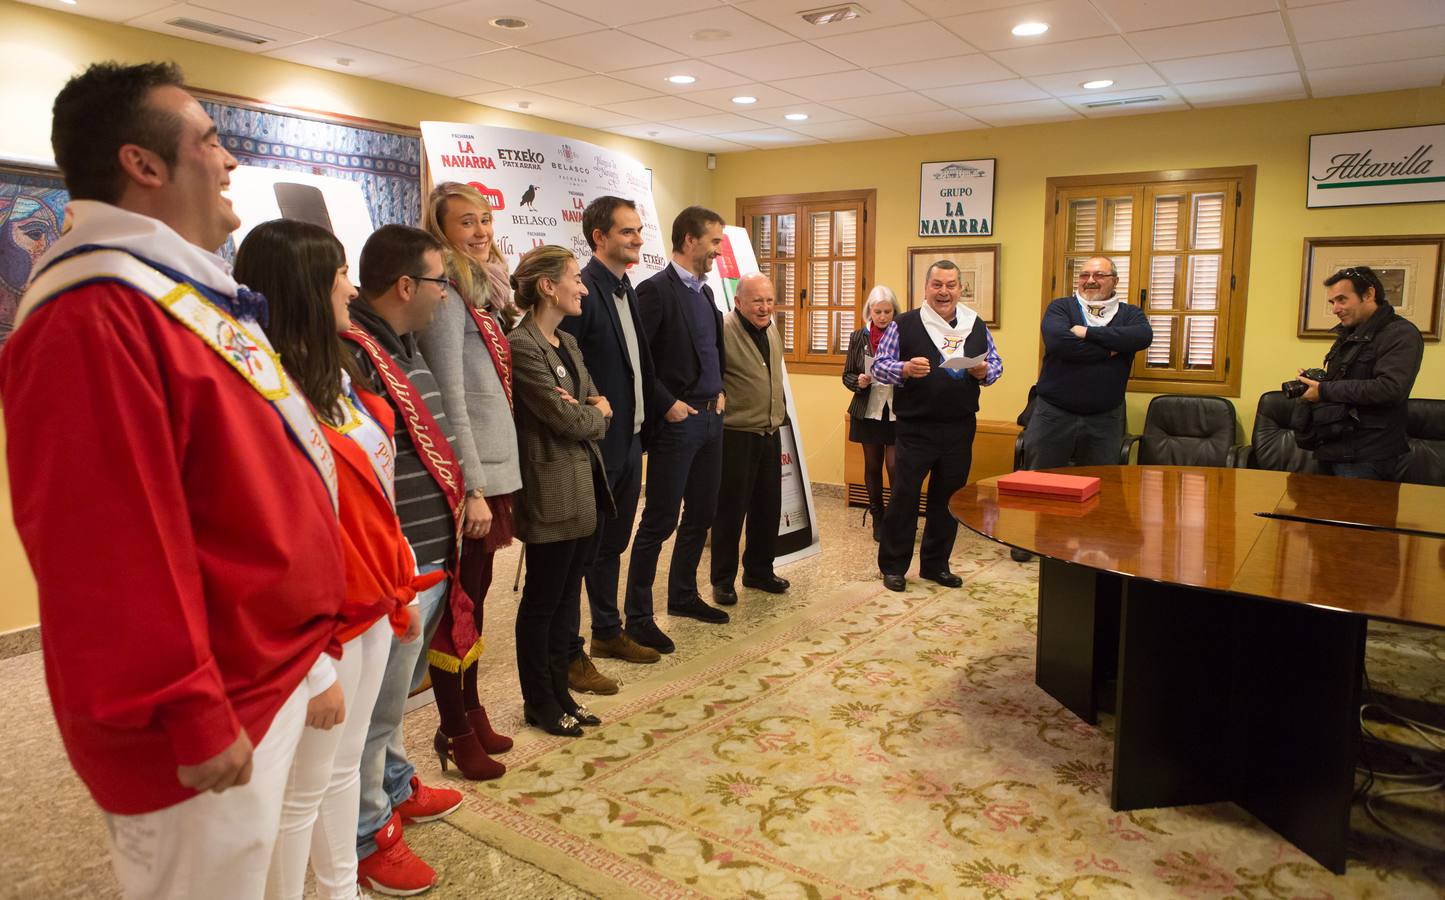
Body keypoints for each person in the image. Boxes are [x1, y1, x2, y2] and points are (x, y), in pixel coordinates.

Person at [0, 62, 347, 898]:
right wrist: (187, 710)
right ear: (143, 165)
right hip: (208, 704)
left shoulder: (177, 292)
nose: (231, 163)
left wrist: (313, 652)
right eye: (210, 141)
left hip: (266, 666)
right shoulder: (92, 314)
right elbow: (110, 549)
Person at [235, 220, 433, 900]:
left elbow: (370, 492)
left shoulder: (339, 374)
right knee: (301, 790)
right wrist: (316, 662)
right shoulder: (267, 394)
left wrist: (399, 572)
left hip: (375, 598)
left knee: (345, 768)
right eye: (338, 274)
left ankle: (341, 889)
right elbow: (274, 535)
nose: (350, 287)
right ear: (303, 287)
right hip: (325, 620)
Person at [343, 224, 471, 895]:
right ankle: (368, 835)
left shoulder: (399, 343)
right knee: (373, 711)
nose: (444, 296)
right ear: (404, 286)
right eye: (438, 282)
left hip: (427, 550)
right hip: (394, 564)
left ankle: (395, 787)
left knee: (394, 704)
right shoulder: (352, 355)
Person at [416, 182, 522, 760]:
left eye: (485, 220)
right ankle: (455, 730)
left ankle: (471, 712)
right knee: (460, 605)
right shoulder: (449, 297)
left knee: (476, 603)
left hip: (496, 473)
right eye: (465, 223)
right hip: (471, 482)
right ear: (441, 234)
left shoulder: (483, 293)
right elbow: (449, 396)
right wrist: (472, 487)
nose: (481, 232)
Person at [507, 245, 615, 736]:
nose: (584, 287)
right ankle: (540, 702)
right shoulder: (522, 346)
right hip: (550, 492)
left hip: (584, 490)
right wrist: (592, 412)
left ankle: (560, 692)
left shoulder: (567, 344)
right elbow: (573, 417)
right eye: (575, 277)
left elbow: (592, 403)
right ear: (548, 286)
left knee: (566, 601)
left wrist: (590, 410)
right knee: (543, 604)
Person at [560, 196, 662, 682]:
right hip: (597, 446)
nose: (639, 239)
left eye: (639, 230)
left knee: (613, 543)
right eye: (627, 232)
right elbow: (565, 370)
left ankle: (605, 630)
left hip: (632, 439)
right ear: (599, 237)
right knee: (592, 547)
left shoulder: (627, 287)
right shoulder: (581, 291)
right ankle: (589, 637)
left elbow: (640, 365)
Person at [626, 205, 732, 652]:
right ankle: (637, 616)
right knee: (660, 520)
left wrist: (721, 388)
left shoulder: (706, 293)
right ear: (689, 241)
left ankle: (683, 595)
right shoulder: (654, 292)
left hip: (712, 419)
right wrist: (667, 405)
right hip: (678, 423)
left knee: (703, 515)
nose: (718, 250)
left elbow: (711, 350)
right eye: (713, 241)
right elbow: (639, 362)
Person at [872, 259, 1003, 593]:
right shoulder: (904, 324)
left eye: (951, 285)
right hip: (916, 427)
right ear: (926, 288)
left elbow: (996, 366)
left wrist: (984, 371)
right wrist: (902, 369)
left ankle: (935, 565)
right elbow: (879, 367)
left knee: (947, 500)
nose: (944, 291)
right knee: (904, 498)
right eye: (937, 285)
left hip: (959, 427)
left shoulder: (975, 324)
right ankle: (893, 566)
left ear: (960, 288)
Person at [1294, 265, 1424, 481]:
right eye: (1332, 302)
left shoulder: (1401, 333)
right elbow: (1348, 382)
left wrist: (1324, 390)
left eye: (1342, 300)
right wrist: (1315, 382)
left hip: (1367, 456)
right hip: (1332, 445)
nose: (1335, 309)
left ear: (1369, 294)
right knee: (1319, 514)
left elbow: (1390, 389)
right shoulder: (1351, 333)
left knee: (1359, 516)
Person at [1025, 256, 1151, 470]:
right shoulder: (1061, 308)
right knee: (1040, 485)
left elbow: (1142, 336)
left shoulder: (1130, 314)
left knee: (1100, 488)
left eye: (1099, 275)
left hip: (1105, 419)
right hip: (1052, 415)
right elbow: (1060, 345)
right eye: (1084, 275)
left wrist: (1087, 332)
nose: (1090, 280)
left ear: (1115, 281)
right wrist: (1112, 349)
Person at [710, 272, 790, 606]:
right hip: (737, 434)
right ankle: (723, 581)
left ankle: (759, 571)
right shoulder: (724, 330)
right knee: (731, 511)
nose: (765, 307)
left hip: (770, 431)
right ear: (739, 301)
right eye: (757, 300)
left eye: (769, 300)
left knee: (767, 507)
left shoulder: (771, 329)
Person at [842, 286, 901, 542]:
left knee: (895, 465)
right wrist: (860, 381)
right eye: (878, 311)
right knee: (873, 465)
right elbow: (847, 375)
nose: (883, 317)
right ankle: (877, 517)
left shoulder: (902, 336)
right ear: (870, 311)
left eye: (888, 311)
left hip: (896, 411)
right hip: (868, 410)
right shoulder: (858, 337)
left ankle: (897, 518)